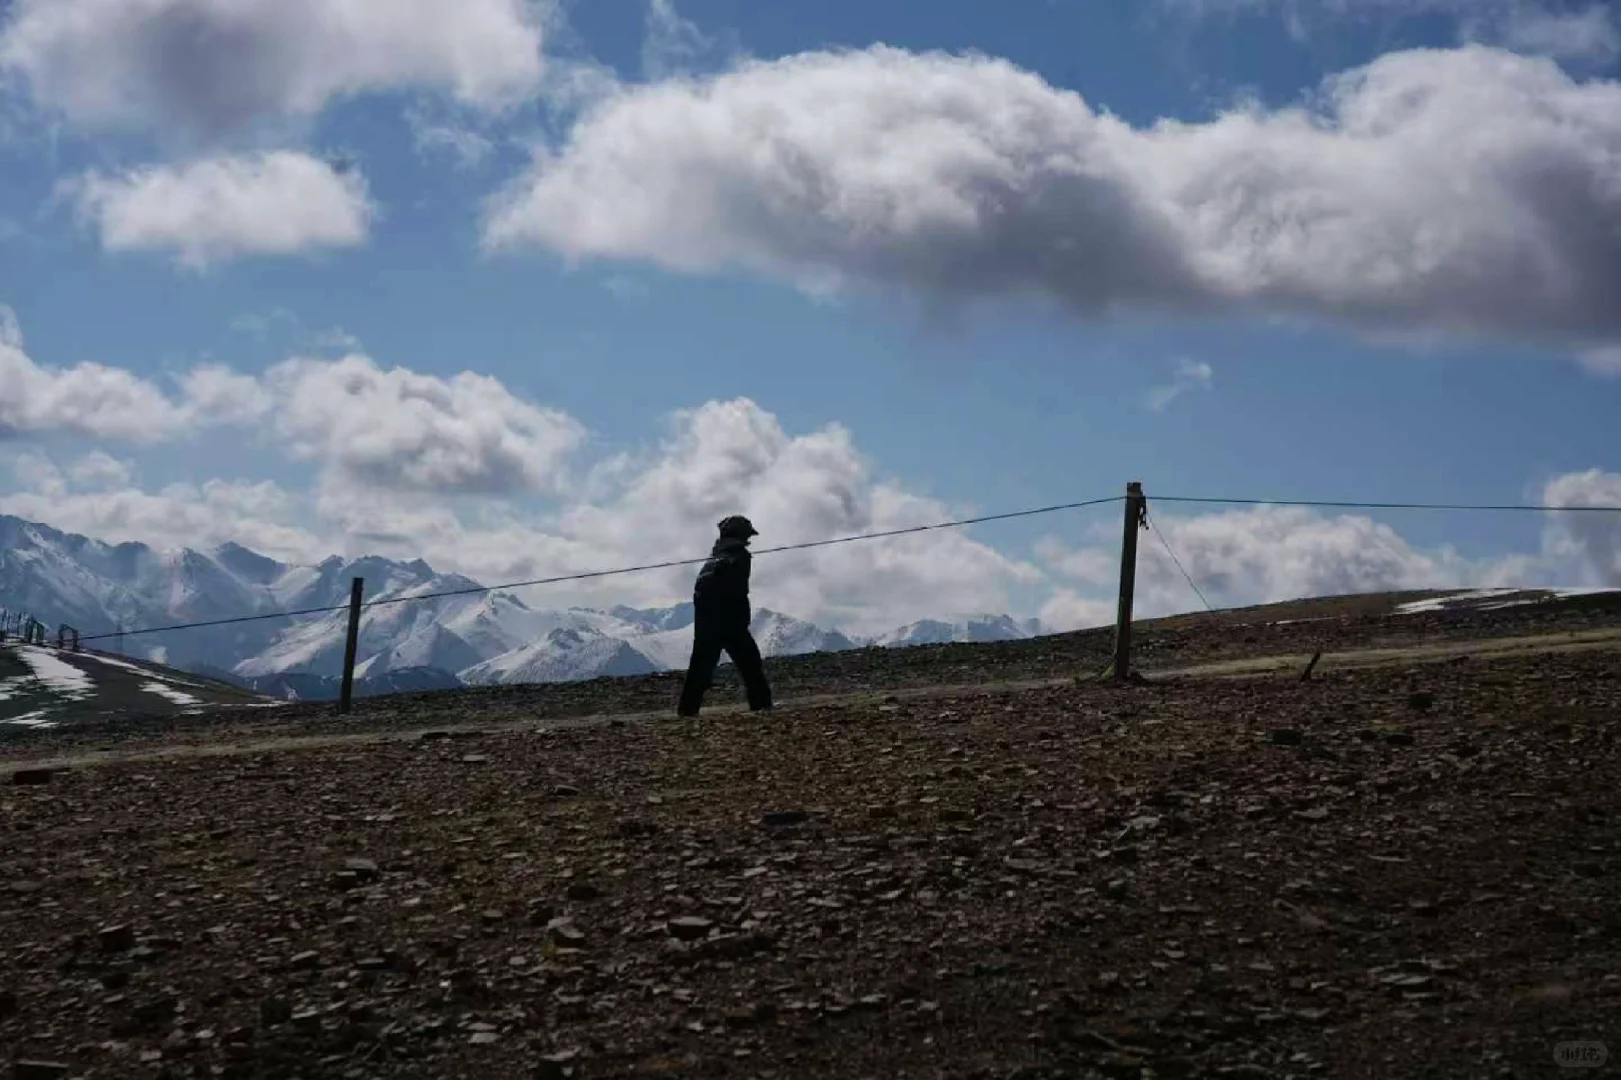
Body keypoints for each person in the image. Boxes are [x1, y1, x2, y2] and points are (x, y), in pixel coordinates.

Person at [676, 514, 774, 717]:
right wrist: (741, 622)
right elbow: (739, 591)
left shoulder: (712, 559)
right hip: (730, 621)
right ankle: (762, 705)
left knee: (700, 667)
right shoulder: (740, 556)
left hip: (706, 623)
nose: (749, 539)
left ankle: (687, 711)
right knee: (750, 663)